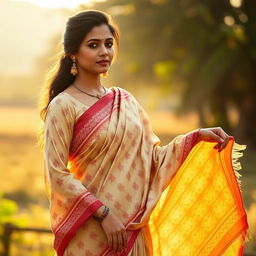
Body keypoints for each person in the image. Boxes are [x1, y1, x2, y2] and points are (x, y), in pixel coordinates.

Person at [39, 10, 248, 256]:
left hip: (133, 228)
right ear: (73, 52)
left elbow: (152, 160)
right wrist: (103, 213)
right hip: (91, 231)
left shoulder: (125, 100)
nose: (104, 52)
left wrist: (196, 136)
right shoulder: (64, 105)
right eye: (93, 45)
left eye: (109, 44)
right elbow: (57, 174)